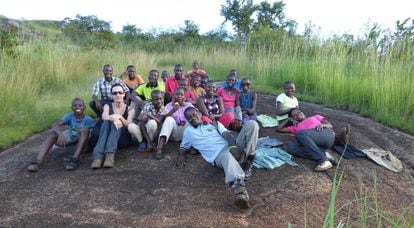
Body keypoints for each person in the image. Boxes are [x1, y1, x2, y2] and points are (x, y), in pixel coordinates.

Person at [176, 107, 259, 209]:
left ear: (200, 114)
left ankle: (248, 162)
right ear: (187, 121)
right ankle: (240, 192)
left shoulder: (214, 124)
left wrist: (233, 146)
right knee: (227, 156)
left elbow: (227, 134)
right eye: (189, 117)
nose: (193, 118)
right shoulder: (188, 131)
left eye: (194, 114)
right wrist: (181, 156)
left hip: (232, 147)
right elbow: (183, 146)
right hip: (219, 155)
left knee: (252, 124)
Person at [27, 98, 95, 171]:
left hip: (82, 147)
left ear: (84, 108)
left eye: (80, 105)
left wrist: (68, 142)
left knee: (84, 130)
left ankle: (75, 159)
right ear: (72, 108)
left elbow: (85, 137)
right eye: (75, 106)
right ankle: (38, 161)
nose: (78, 107)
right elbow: (54, 125)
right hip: (69, 145)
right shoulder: (69, 116)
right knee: (54, 133)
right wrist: (60, 135)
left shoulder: (88, 119)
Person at [277, 109, 349, 171]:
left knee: (300, 133)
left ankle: (323, 160)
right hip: (315, 144)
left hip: (325, 134)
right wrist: (288, 119)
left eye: (298, 112)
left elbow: (330, 125)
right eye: (295, 116)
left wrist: (323, 125)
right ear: (293, 119)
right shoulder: (295, 127)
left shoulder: (315, 117)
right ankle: (324, 155)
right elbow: (279, 129)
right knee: (291, 148)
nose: (298, 115)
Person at [91, 84, 135, 169]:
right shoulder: (108, 106)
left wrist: (120, 118)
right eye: (115, 93)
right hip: (107, 137)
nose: (118, 95)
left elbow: (129, 124)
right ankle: (98, 158)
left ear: (124, 94)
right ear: (111, 95)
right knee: (107, 122)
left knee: (116, 124)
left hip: (122, 139)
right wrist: (115, 118)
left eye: (120, 92)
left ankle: (109, 156)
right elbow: (104, 116)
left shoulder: (130, 109)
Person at [155, 88, 193, 160]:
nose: (179, 96)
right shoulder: (169, 105)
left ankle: (192, 145)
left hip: (186, 133)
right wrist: (173, 110)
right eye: (177, 94)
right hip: (173, 133)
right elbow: (163, 118)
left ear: (184, 96)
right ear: (173, 96)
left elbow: (195, 114)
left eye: (181, 94)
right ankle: (159, 148)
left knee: (190, 120)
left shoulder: (188, 105)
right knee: (169, 119)